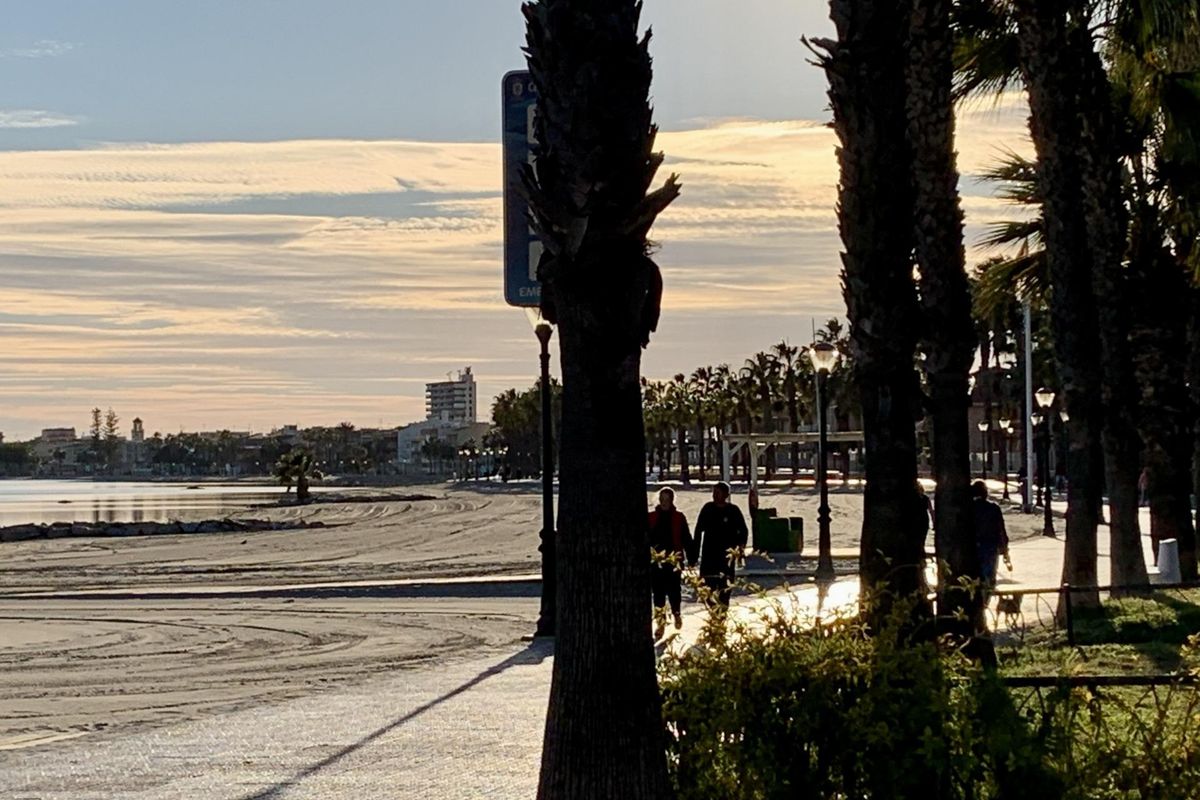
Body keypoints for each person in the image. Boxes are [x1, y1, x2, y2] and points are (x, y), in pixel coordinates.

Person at [693, 481, 748, 615]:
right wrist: (694, 553)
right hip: (709, 556)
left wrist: (740, 549)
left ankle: (722, 613)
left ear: (725, 494)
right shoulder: (708, 509)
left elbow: (743, 530)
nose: (714, 495)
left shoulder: (733, 511)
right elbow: (698, 530)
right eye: (713, 492)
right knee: (707, 587)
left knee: (725, 587)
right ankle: (713, 611)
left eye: (718, 493)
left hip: (726, 558)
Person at [647, 488, 694, 639]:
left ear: (672, 500)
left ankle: (676, 613)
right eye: (662, 499)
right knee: (658, 594)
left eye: (667, 499)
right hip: (656, 562)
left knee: (675, 591)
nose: (664, 502)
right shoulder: (651, 518)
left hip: (674, 560)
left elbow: (686, 538)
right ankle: (660, 623)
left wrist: (692, 558)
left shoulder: (679, 518)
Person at [972, 480, 1009, 600]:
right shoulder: (993, 508)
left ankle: (977, 600)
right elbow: (1001, 529)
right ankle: (985, 601)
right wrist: (1005, 549)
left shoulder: (969, 509)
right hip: (990, 547)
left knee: (975, 576)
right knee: (989, 576)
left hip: (973, 547)